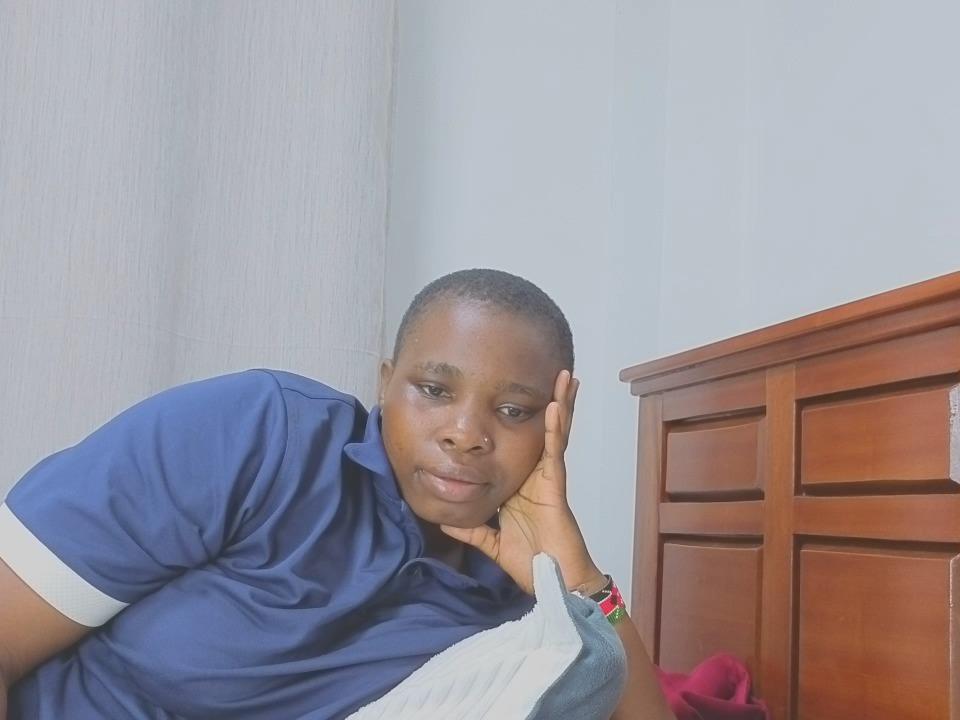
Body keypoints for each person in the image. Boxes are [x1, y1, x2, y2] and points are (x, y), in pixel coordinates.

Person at [0, 269, 674, 719]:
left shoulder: (525, 611)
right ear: (386, 383)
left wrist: (577, 579)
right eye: (434, 390)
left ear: (557, 425)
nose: (465, 434)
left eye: (513, 410)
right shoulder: (258, 434)